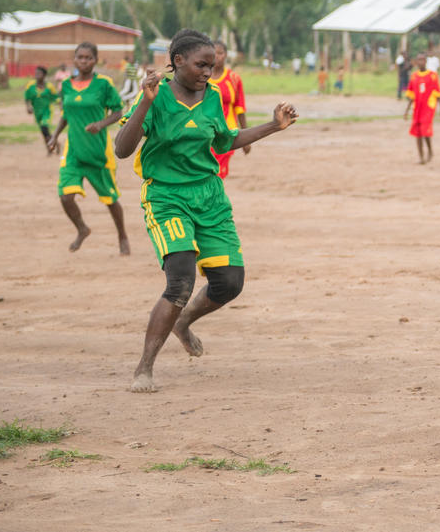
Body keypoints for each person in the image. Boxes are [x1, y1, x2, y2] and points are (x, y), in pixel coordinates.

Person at [115, 28, 298, 393]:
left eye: (212, 66)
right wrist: (146, 103)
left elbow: (226, 140)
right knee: (180, 279)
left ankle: (183, 323)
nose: (208, 73)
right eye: (201, 65)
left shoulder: (213, 97)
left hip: (210, 197)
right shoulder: (155, 97)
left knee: (229, 283)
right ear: (177, 60)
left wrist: (273, 127)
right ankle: (144, 368)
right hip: (167, 197)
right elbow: (122, 149)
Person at [47, 42, 130, 254]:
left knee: (111, 199)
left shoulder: (103, 84)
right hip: (73, 152)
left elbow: (118, 112)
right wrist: (55, 136)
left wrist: (100, 124)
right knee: (65, 196)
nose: (84, 61)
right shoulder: (66, 85)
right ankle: (82, 228)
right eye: (80, 57)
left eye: (88, 58)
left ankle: (122, 235)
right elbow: (66, 114)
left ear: (95, 60)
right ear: (74, 60)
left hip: (97, 153)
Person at [208, 40, 249, 179]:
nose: (217, 56)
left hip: (227, 133)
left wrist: (246, 140)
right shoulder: (202, 78)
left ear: (226, 55)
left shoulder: (233, 78)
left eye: (220, 53)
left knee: (219, 174)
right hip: (206, 133)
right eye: (214, 53)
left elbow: (240, 109)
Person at [403, 53, 440, 164]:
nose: (420, 62)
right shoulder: (414, 76)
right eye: (418, 60)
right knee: (418, 133)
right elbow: (411, 95)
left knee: (425, 131)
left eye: (422, 60)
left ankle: (430, 151)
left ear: (426, 61)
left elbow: (438, 94)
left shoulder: (432, 76)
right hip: (417, 108)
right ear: (416, 62)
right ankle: (421, 157)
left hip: (428, 109)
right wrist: (406, 111)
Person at [24, 66, 60, 150]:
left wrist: (60, 105)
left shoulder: (49, 86)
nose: (37, 75)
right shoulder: (30, 85)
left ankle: (52, 144)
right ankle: (53, 145)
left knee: (44, 127)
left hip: (47, 111)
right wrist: (28, 107)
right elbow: (27, 98)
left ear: (44, 75)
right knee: (43, 132)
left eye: (39, 73)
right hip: (37, 112)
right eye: (36, 73)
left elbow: (56, 97)